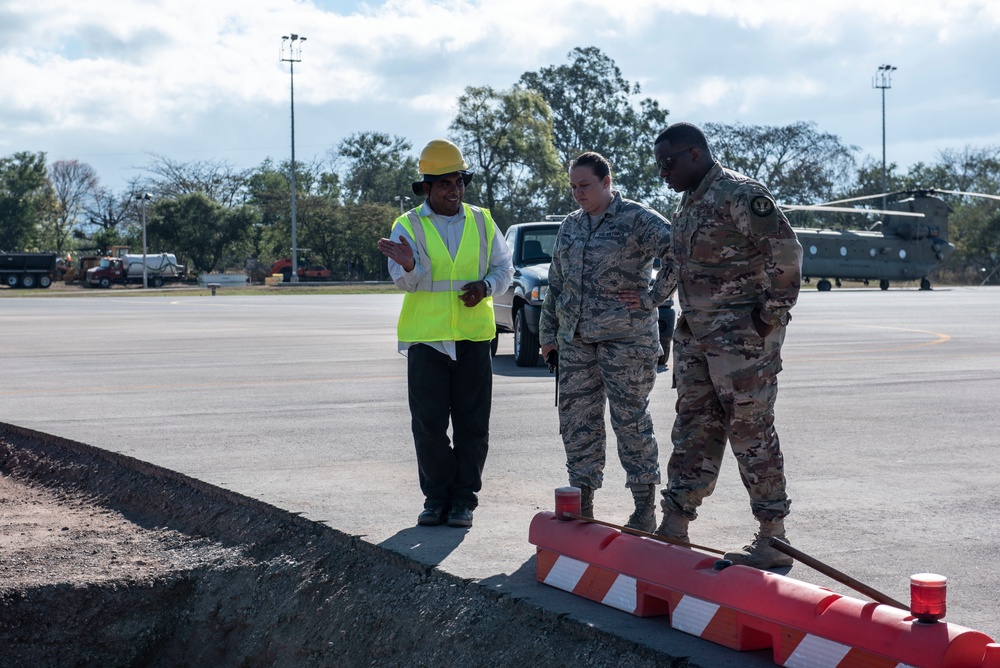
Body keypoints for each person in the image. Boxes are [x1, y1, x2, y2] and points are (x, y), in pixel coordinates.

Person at [652, 122, 803, 569]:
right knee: (693, 426)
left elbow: (786, 252)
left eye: (668, 163)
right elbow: (679, 267)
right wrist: (648, 299)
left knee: (750, 431)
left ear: (695, 154)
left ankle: (773, 537)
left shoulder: (739, 194)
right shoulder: (689, 204)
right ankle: (675, 523)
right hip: (697, 337)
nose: (663, 172)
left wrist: (770, 315)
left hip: (742, 342)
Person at [377, 139, 513, 529]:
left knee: (473, 424)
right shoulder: (407, 225)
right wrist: (409, 265)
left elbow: (505, 269)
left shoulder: (483, 220)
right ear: (426, 189)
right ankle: (436, 498)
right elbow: (406, 283)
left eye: (459, 182)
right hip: (427, 340)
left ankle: (463, 500)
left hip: (473, 338)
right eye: (445, 184)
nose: (454, 191)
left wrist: (485, 287)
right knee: (429, 425)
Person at [539, 151, 673, 533]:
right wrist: (549, 337)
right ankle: (583, 502)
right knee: (578, 422)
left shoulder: (637, 218)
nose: (578, 193)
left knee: (630, 421)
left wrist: (652, 297)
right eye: (573, 188)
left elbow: (678, 252)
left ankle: (644, 508)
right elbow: (557, 284)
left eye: (585, 185)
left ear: (606, 181)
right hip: (577, 342)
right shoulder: (570, 226)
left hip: (626, 342)